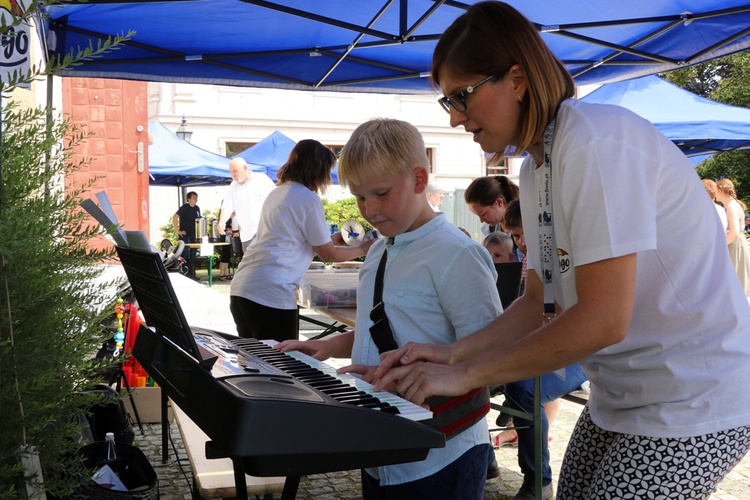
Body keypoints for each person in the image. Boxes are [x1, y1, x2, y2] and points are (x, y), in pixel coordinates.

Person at [373, 3, 750, 500]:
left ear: (518, 78)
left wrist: (465, 374)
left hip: (694, 399)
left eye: (462, 96)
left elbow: (603, 319)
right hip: (622, 396)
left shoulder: (596, 141)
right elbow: (536, 303)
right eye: (448, 102)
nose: (457, 118)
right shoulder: (535, 168)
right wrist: (449, 354)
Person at [276, 118, 501, 499]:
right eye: (361, 197)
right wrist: (329, 347)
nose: (370, 210)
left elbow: (493, 352)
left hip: (442, 453)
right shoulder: (379, 249)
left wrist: (422, 375)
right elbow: (379, 325)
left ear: (418, 179)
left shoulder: (458, 254)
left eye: (381, 193)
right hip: (383, 448)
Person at [229, 140, 375, 342]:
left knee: (254, 365)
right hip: (271, 294)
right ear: (319, 170)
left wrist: (328, 240)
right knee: (283, 367)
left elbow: (286, 242)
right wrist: (365, 248)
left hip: (243, 290)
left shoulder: (277, 193)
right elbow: (330, 256)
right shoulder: (308, 199)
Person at [218, 157, 276, 253]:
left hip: (266, 233)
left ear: (245, 168)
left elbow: (277, 200)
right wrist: (222, 221)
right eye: (231, 172)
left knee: (266, 265)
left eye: (235, 171)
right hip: (247, 236)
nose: (233, 174)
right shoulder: (233, 187)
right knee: (251, 267)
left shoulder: (262, 180)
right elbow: (227, 206)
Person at [715, 178, 750, 296]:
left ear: (719, 190)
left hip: (735, 246)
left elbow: (734, 233)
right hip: (736, 244)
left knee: (736, 282)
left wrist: (718, 246)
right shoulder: (732, 205)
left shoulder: (731, 206)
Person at [172, 191, 201, 278]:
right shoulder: (184, 208)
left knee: (193, 255)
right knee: (184, 255)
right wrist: (178, 231)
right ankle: (183, 274)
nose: (196, 199)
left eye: (196, 197)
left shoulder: (197, 208)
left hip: (194, 236)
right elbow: (175, 217)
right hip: (185, 236)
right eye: (194, 198)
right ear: (188, 199)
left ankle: (192, 274)